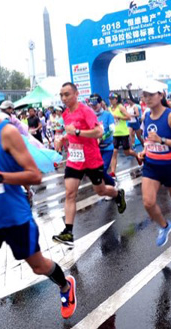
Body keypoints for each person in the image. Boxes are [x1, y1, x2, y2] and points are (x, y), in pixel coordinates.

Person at [0, 78, 77, 328]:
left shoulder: (7, 132)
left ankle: (65, 285)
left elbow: (35, 176)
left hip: (15, 218)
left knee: (39, 266)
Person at [52, 83, 126, 246]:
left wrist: (77, 132)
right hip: (74, 159)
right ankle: (68, 232)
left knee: (100, 191)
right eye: (61, 95)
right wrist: (63, 138)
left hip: (91, 159)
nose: (64, 98)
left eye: (67, 94)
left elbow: (99, 132)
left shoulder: (86, 111)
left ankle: (117, 194)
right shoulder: (65, 114)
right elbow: (70, 133)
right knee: (70, 193)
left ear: (76, 94)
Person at [138, 83, 171, 247]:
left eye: (151, 95)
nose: (147, 98)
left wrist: (162, 140)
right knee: (148, 202)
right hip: (152, 165)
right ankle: (165, 226)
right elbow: (149, 139)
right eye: (145, 95)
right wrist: (145, 150)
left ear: (161, 95)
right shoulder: (146, 115)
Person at [108, 92, 141, 177]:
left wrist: (119, 117)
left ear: (116, 99)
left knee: (127, 152)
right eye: (110, 99)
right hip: (114, 133)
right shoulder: (109, 109)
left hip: (123, 132)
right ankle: (113, 173)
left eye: (113, 99)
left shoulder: (120, 107)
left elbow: (129, 117)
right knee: (114, 152)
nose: (111, 101)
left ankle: (137, 155)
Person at [89, 94, 117, 187]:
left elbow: (112, 130)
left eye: (96, 105)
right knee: (96, 171)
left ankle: (112, 185)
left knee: (102, 170)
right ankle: (108, 187)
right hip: (95, 149)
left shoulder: (108, 115)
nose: (94, 107)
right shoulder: (90, 116)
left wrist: (101, 138)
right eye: (92, 105)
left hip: (107, 147)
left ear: (100, 103)